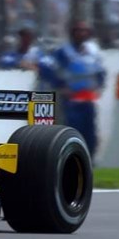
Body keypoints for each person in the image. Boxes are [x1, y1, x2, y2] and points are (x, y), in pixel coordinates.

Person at [48, 20, 105, 156]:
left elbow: (100, 71)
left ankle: (90, 159)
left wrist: (99, 86)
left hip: (88, 98)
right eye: (79, 31)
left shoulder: (92, 50)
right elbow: (52, 71)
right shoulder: (64, 52)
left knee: (90, 132)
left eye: (85, 31)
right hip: (72, 100)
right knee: (73, 130)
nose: (82, 34)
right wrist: (61, 87)